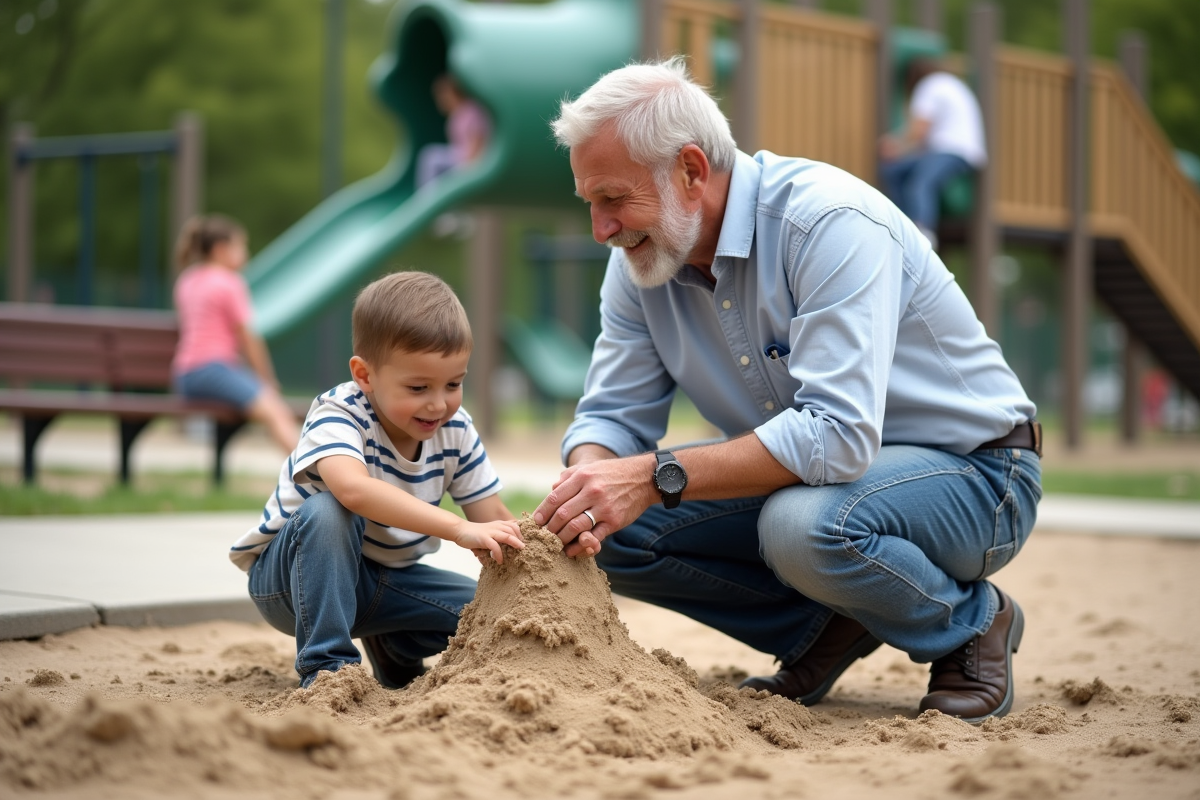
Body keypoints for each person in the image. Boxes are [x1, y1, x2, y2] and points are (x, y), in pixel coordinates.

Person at [533, 58, 1041, 723]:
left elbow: (835, 436)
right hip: (820, 483)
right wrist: (587, 491)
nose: (601, 228)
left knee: (805, 526)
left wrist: (652, 477)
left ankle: (973, 624)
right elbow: (611, 415)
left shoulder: (828, 222)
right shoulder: (637, 264)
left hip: (981, 474)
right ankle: (822, 631)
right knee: (614, 529)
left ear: (690, 170)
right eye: (590, 203)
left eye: (613, 199)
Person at [228, 271, 552, 689]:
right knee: (329, 511)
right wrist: (458, 529)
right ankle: (328, 670)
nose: (438, 403)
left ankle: (394, 648)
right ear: (365, 376)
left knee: (491, 612)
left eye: (454, 383)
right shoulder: (339, 413)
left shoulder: (455, 429)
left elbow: (491, 515)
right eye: (418, 387)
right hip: (291, 584)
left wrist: (542, 551)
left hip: (385, 584)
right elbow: (353, 490)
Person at [172, 214, 300, 453]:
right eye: (241, 246)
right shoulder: (229, 282)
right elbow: (249, 338)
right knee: (276, 411)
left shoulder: (186, 280)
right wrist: (267, 380)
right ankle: (311, 474)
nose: (246, 253)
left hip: (185, 376)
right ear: (221, 249)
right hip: (213, 370)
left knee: (268, 409)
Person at [878, 58, 986, 250]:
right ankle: (905, 225)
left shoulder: (928, 86)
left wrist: (894, 146)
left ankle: (922, 233)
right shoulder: (952, 83)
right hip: (967, 152)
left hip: (949, 149)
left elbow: (919, 131)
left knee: (919, 183)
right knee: (894, 171)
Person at [416, 73, 492, 189]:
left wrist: (467, 169)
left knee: (432, 159)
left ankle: (427, 198)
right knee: (432, 156)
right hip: (460, 157)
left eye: (443, 95)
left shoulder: (471, 111)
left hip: (469, 161)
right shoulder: (456, 115)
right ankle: (430, 195)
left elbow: (478, 144)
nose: (440, 100)